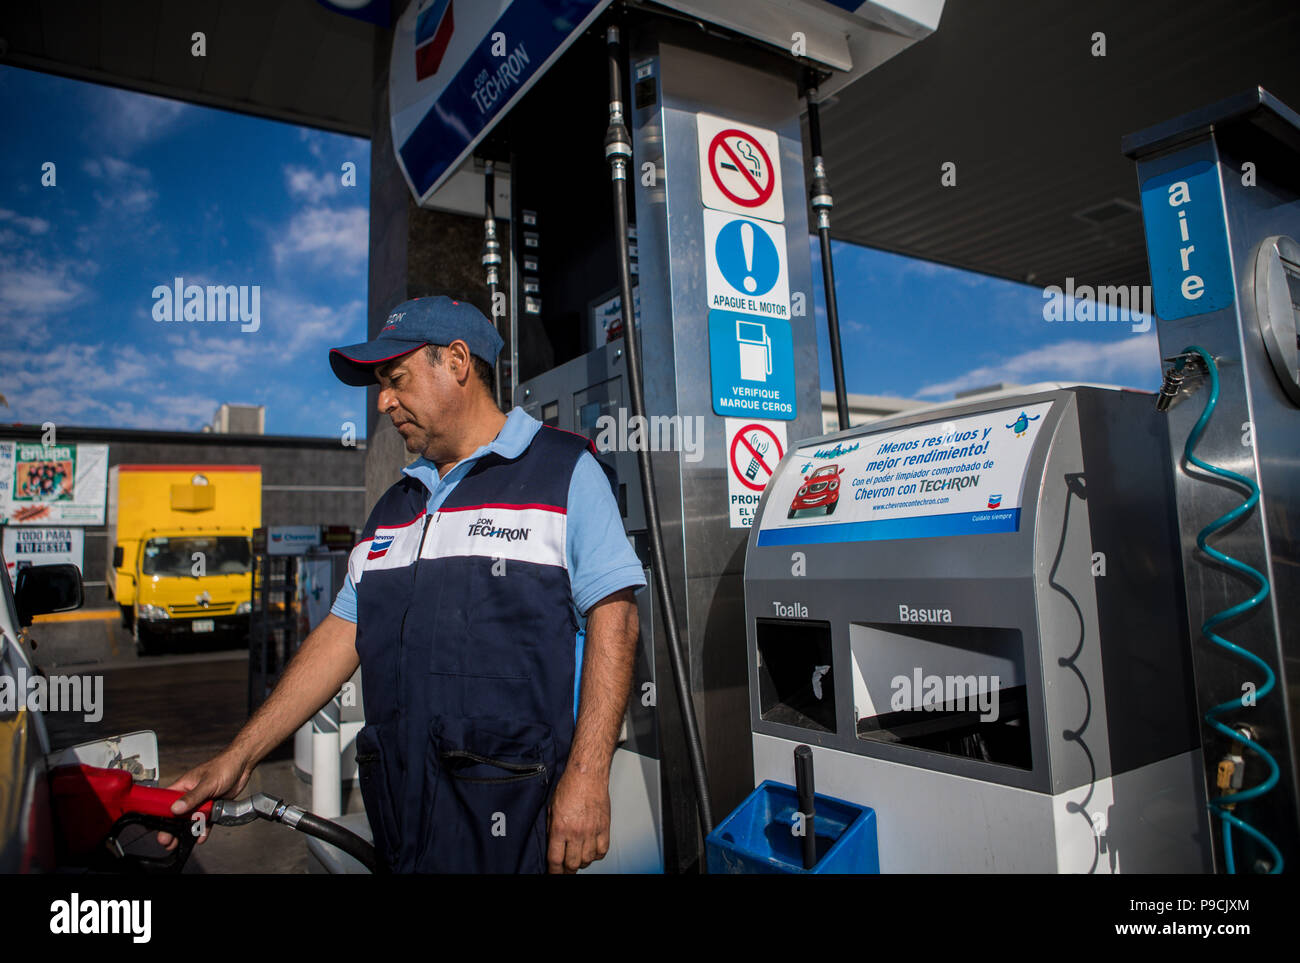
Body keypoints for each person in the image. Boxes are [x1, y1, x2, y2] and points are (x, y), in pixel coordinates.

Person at [163, 296, 646, 873]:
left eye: (396, 379)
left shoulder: (564, 471)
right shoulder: (394, 506)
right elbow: (344, 631)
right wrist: (240, 756)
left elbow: (615, 620)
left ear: (458, 362)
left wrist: (589, 777)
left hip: (515, 820)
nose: (384, 401)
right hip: (402, 818)